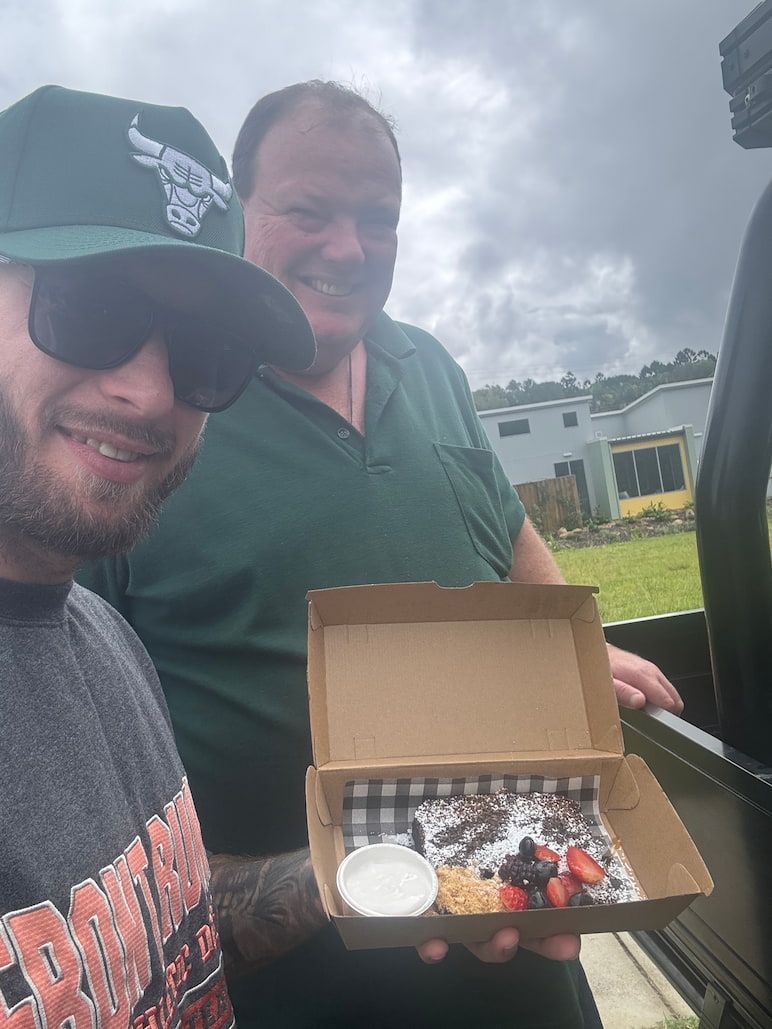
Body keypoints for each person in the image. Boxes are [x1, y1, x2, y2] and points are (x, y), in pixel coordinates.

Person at [80, 81, 683, 1028]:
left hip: (514, 934)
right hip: (300, 976)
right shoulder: (164, 409)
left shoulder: (428, 364)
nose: (348, 249)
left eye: (378, 219)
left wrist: (571, 658)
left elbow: (504, 519)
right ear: (242, 212)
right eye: (309, 211)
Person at [0, 83, 318, 1028]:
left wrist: (374, 868)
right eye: (91, 307)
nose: (149, 390)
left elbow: (148, 934)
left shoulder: (97, 629)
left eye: (203, 352)